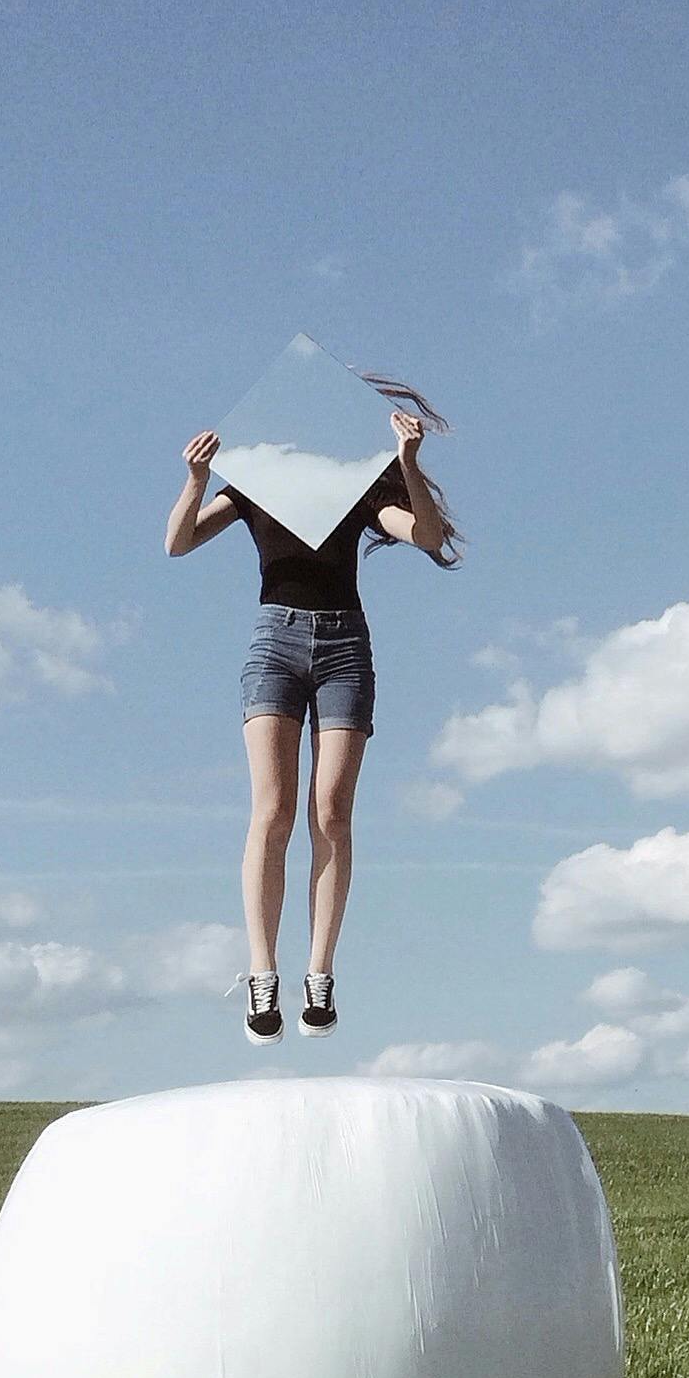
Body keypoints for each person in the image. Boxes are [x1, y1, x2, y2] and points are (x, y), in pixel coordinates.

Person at [163, 379, 461, 1045]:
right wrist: (196, 477)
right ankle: (262, 972)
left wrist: (408, 464)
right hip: (274, 638)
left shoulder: (356, 486)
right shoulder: (256, 482)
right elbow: (178, 543)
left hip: (344, 643)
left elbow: (428, 536)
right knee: (272, 810)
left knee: (331, 811)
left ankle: (319, 974)